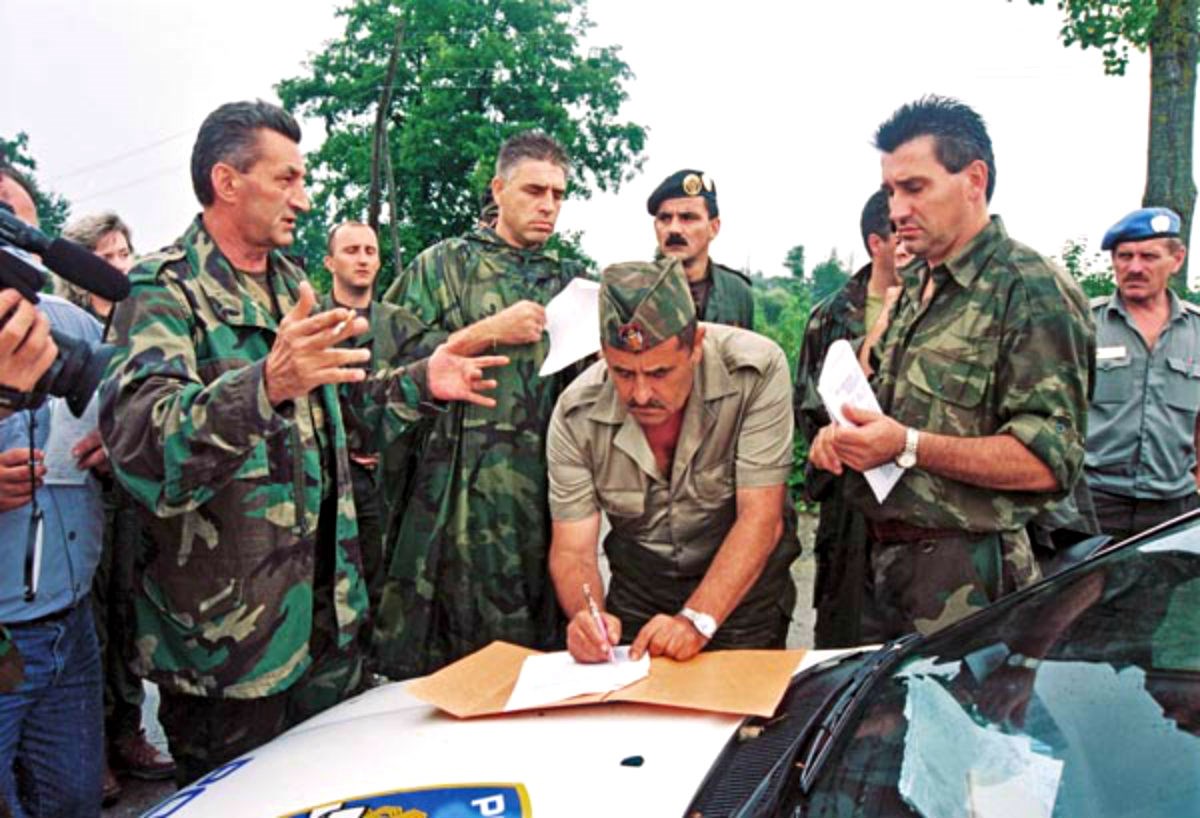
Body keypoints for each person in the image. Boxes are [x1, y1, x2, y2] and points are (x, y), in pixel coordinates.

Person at [99, 100, 507, 784]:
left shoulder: (291, 286)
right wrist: (264, 385)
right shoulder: (162, 290)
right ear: (228, 182)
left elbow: (337, 417)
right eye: (286, 179)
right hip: (229, 661)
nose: (304, 197)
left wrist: (420, 382)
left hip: (324, 631)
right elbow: (145, 450)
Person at [810, 95, 1093, 641]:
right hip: (880, 563)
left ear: (974, 179)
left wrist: (908, 445)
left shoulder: (1030, 290)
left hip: (970, 574)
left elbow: (1047, 463)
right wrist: (841, 438)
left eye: (914, 188)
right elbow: (887, 412)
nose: (895, 210)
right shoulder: (918, 285)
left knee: (969, 723)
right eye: (892, 191)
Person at [374, 131, 584, 678]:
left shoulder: (568, 285)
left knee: (534, 663)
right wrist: (486, 331)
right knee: (448, 661)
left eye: (559, 195)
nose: (548, 206)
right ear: (499, 189)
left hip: (541, 502)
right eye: (535, 190)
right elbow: (386, 369)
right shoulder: (441, 267)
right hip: (450, 502)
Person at [548, 258, 800, 662]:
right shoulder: (576, 413)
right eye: (623, 372)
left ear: (696, 345)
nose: (641, 393)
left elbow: (761, 519)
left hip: (743, 602)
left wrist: (695, 621)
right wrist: (585, 615)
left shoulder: (755, 371)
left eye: (660, 372)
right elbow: (573, 549)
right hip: (640, 598)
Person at [57, 212, 175, 801]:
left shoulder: (145, 317)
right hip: (77, 492)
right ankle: (93, 745)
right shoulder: (69, 327)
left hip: (134, 490)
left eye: (125, 251)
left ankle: (129, 729)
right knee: (93, 618)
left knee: (131, 611)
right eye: (105, 254)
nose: (120, 264)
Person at [0, 178, 107, 816]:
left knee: (71, 799)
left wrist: (119, 446)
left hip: (71, 620)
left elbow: (134, 406)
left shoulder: (71, 325)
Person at [794, 190, 900, 648]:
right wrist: (828, 438)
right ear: (877, 242)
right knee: (842, 645)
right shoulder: (830, 317)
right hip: (849, 511)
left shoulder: (941, 310)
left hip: (919, 507)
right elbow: (808, 407)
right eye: (901, 231)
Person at [320, 220, 431, 642]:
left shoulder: (400, 325)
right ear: (330, 261)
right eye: (351, 250)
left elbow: (431, 383)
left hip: (394, 479)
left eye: (369, 250)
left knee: (392, 583)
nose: (363, 258)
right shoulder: (316, 324)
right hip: (335, 482)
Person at [1085, 207, 1200, 542]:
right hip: (1094, 504)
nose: (1135, 267)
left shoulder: (1197, 331)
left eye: (1149, 256)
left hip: (1174, 508)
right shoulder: (1083, 324)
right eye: (1125, 256)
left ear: (1177, 260)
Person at [647, 169, 754, 328]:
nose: (674, 229)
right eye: (665, 218)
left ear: (713, 228)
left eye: (687, 218)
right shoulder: (633, 289)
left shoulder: (737, 293)